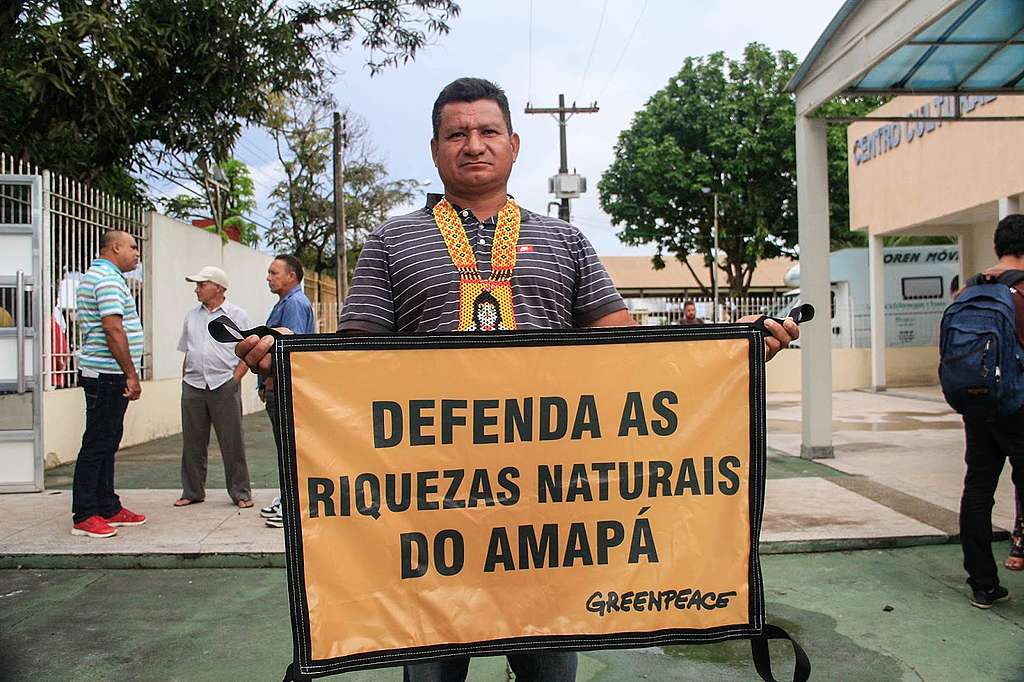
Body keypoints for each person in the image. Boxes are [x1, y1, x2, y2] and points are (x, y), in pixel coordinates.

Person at [235, 77, 798, 681]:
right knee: (430, 671)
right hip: (429, 508)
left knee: (549, 671)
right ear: (434, 149)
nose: (473, 144)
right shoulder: (392, 241)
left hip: (546, 507)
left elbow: (630, 349)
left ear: (514, 143)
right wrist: (289, 362)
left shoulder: (566, 241)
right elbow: (350, 365)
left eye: (487, 131)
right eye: (457, 133)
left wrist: (730, 352)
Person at [957, 213, 1024, 607]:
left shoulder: (969, 290)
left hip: (977, 402)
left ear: (997, 247)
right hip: (1018, 404)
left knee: (978, 489)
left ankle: (983, 584)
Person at [71, 230, 146, 539]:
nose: (136, 253)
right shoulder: (106, 280)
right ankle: (85, 513)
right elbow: (113, 329)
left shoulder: (105, 276)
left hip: (107, 372)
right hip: (107, 374)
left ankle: (108, 505)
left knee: (108, 439)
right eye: (132, 247)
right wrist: (131, 372)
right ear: (115, 247)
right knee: (98, 442)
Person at [175, 266, 254, 508]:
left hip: (224, 383)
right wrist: (185, 376)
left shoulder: (237, 315)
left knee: (232, 441)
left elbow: (248, 349)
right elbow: (187, 350)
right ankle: (192, 491)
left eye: (202, 284)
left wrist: (235, 379)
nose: (197, 289)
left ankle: (240, 493)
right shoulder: (192, 316)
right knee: (192, 441)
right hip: (194, 384)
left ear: (218, 287)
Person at [259, 254, 315, 528]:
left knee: (290, 448)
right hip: (276, 386)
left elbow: (287, 348)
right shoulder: (284, 302)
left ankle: (293, 505)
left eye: (274, 272)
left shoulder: (294, 304)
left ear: (291, 276)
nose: (268, 277)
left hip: (284, 387)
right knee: (285, 448)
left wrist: (270, 381)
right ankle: (287, 497)